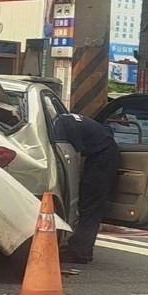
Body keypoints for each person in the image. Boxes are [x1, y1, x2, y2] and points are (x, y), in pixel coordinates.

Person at [52, 113, 120, 265]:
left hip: (102, 159)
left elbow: (75, 155)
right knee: (87, 205)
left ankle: (80, 253)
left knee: (91, 206)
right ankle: (79, 248)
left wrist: (73, 181)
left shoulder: (63, 125)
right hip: (101, 155)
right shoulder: (66, 118)